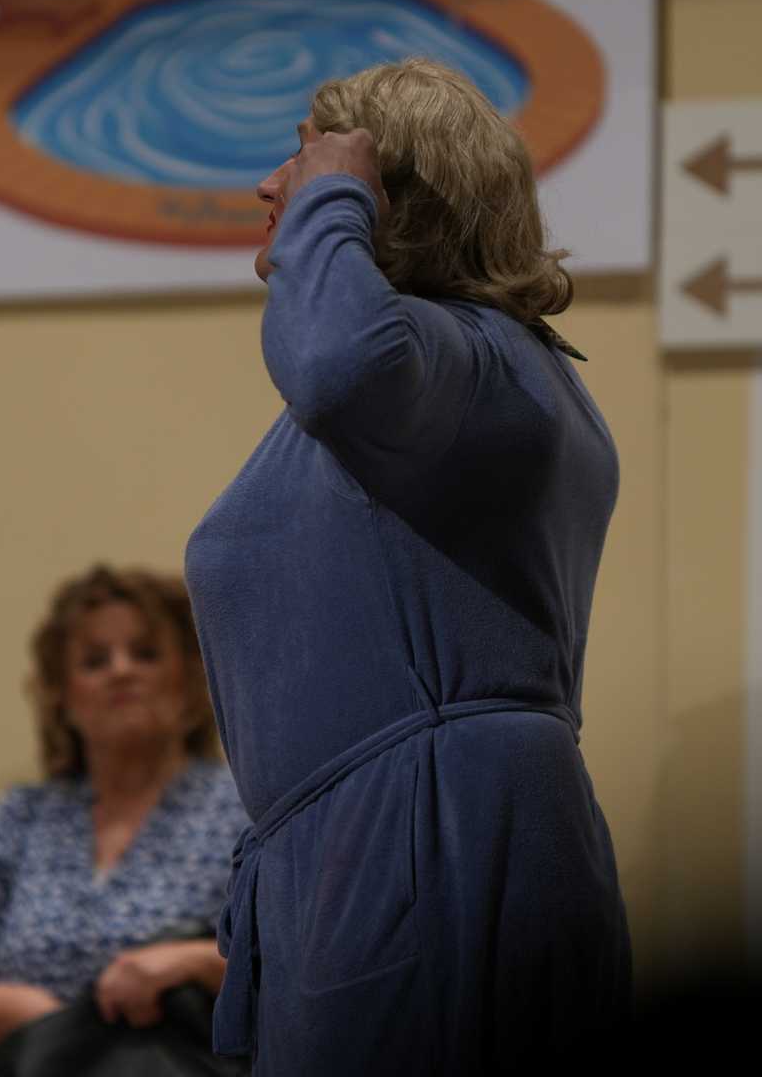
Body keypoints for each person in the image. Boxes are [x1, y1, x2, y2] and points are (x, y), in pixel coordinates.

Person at [184, 57, 630, 1073]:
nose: (273, 185)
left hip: (428, 844)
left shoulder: (465, 361)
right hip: (402, 837)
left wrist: (331, 198)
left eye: (305, 160)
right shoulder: (463, 377)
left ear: (390, 197)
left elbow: (335, 364)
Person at [0, 566, 246, 1057]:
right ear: (62, 696)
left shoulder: (243, 811)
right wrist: (48, 1025)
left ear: (190, 680)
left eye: (146, 654)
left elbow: (292, 968)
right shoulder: (22, 816)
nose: (121, 670)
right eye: (95, 661)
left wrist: (196, 962)